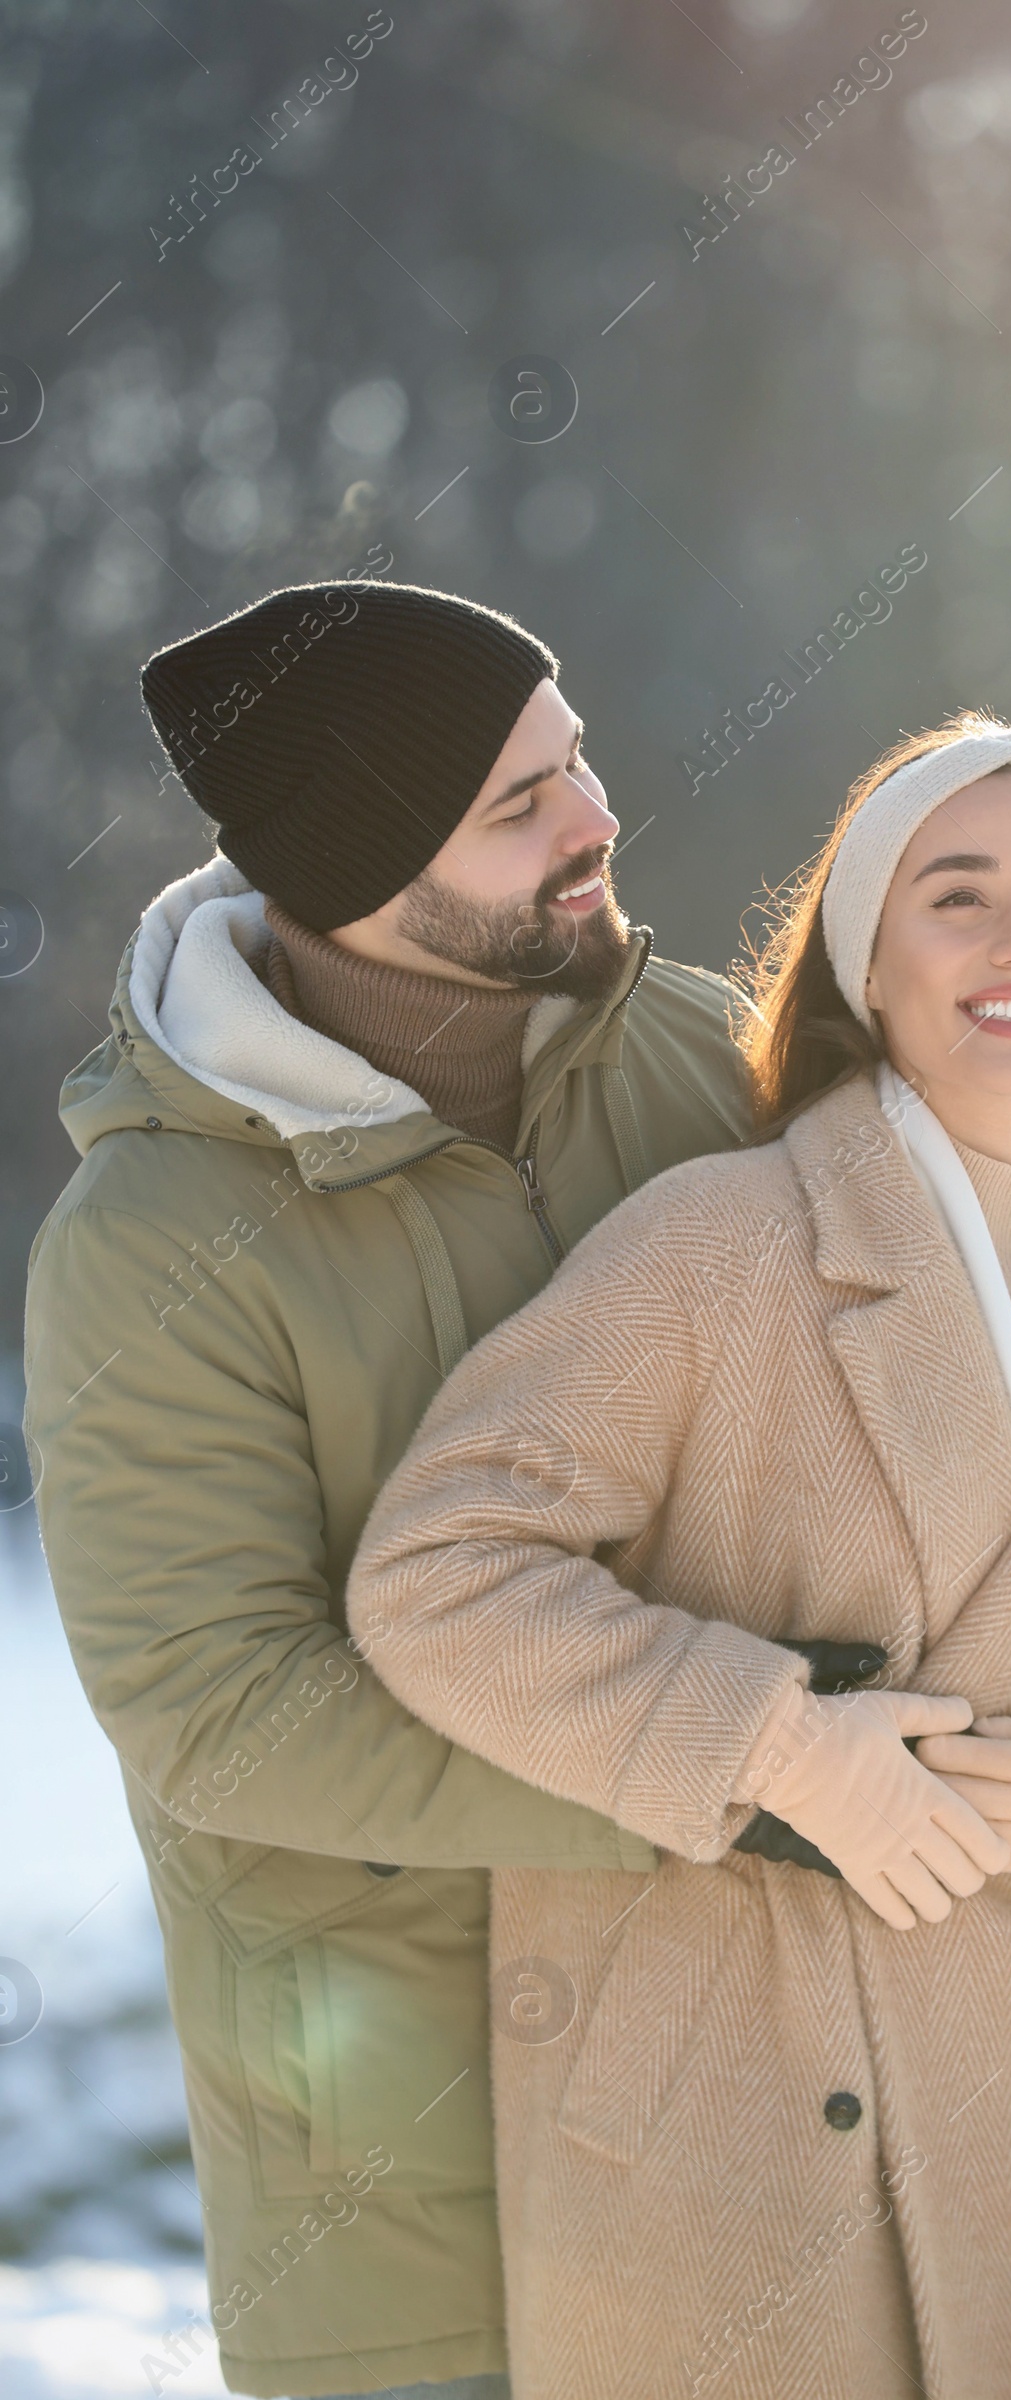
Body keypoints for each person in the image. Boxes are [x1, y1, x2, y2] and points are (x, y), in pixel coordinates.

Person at [347, 713, 1011, 2400]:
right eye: (963, 895)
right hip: (714, 2151)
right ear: (866, 956)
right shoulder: (715, 1248)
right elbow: (439, 1570)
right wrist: (780, 1752)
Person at [22, 579, 753, 2400]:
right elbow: (222, 1709)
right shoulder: (153, 1244)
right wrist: (724, 1768)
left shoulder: (717, 1064)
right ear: (348, 866)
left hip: (767, 2114)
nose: (597, 820)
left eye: (574, 760)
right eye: (520, 805)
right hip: (412, 2205)